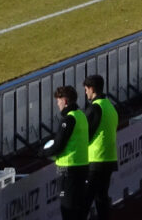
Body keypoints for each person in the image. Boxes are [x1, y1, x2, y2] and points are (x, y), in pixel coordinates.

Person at [41, 84, 89, 220]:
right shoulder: (81, 115)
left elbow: (58, 145)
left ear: (65, 101)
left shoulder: (69, 119)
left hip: (68, 169)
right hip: (82, 166)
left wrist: (42, 153)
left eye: (58, 101)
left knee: (68, 209)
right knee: (79, 209)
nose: (57, 104)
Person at [82, 74, 119, 220]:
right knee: (101, 198)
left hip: (95, 160)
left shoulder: (95, 108)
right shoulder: (110, 106)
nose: (85, 92)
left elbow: (84, 135)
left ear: (92, 89)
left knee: (85, 200)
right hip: (109, 159)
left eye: (86, 89)